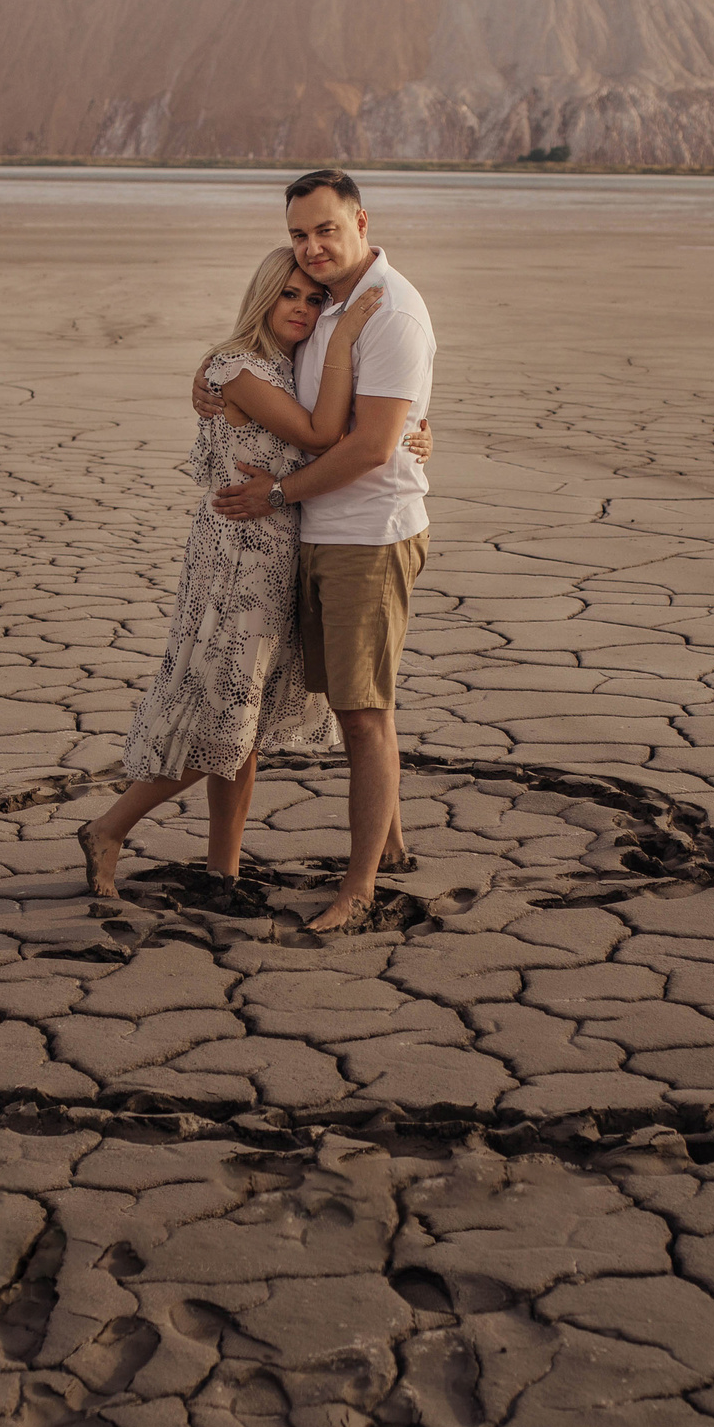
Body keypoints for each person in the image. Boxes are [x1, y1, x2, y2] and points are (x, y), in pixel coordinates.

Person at [79, 247, 427, 899]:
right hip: (237, 563)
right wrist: (349, 332)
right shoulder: (237, 369)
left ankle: (223, 872)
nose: (302, 308)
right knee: (226, 720)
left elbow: (359, 424)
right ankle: (110, 828)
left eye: (314, 299)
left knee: (248, 722)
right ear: (264, 296)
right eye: (289, 295)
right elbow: (326, 434)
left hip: (281, 558)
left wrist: (414, 431)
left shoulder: (284, 370)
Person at [199, 169, 435, 933]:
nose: (313, 248)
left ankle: (360, 887)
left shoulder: (390, 312)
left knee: (365, 716)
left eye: (326, 229)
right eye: (300, 235)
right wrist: (206, 382)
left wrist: (276, 494)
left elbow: (367, 445)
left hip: (367, 536)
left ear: (360, 220)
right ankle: (390, 842)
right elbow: (272, 385)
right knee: (348, 703)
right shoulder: (328, 307)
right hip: (317, 534)